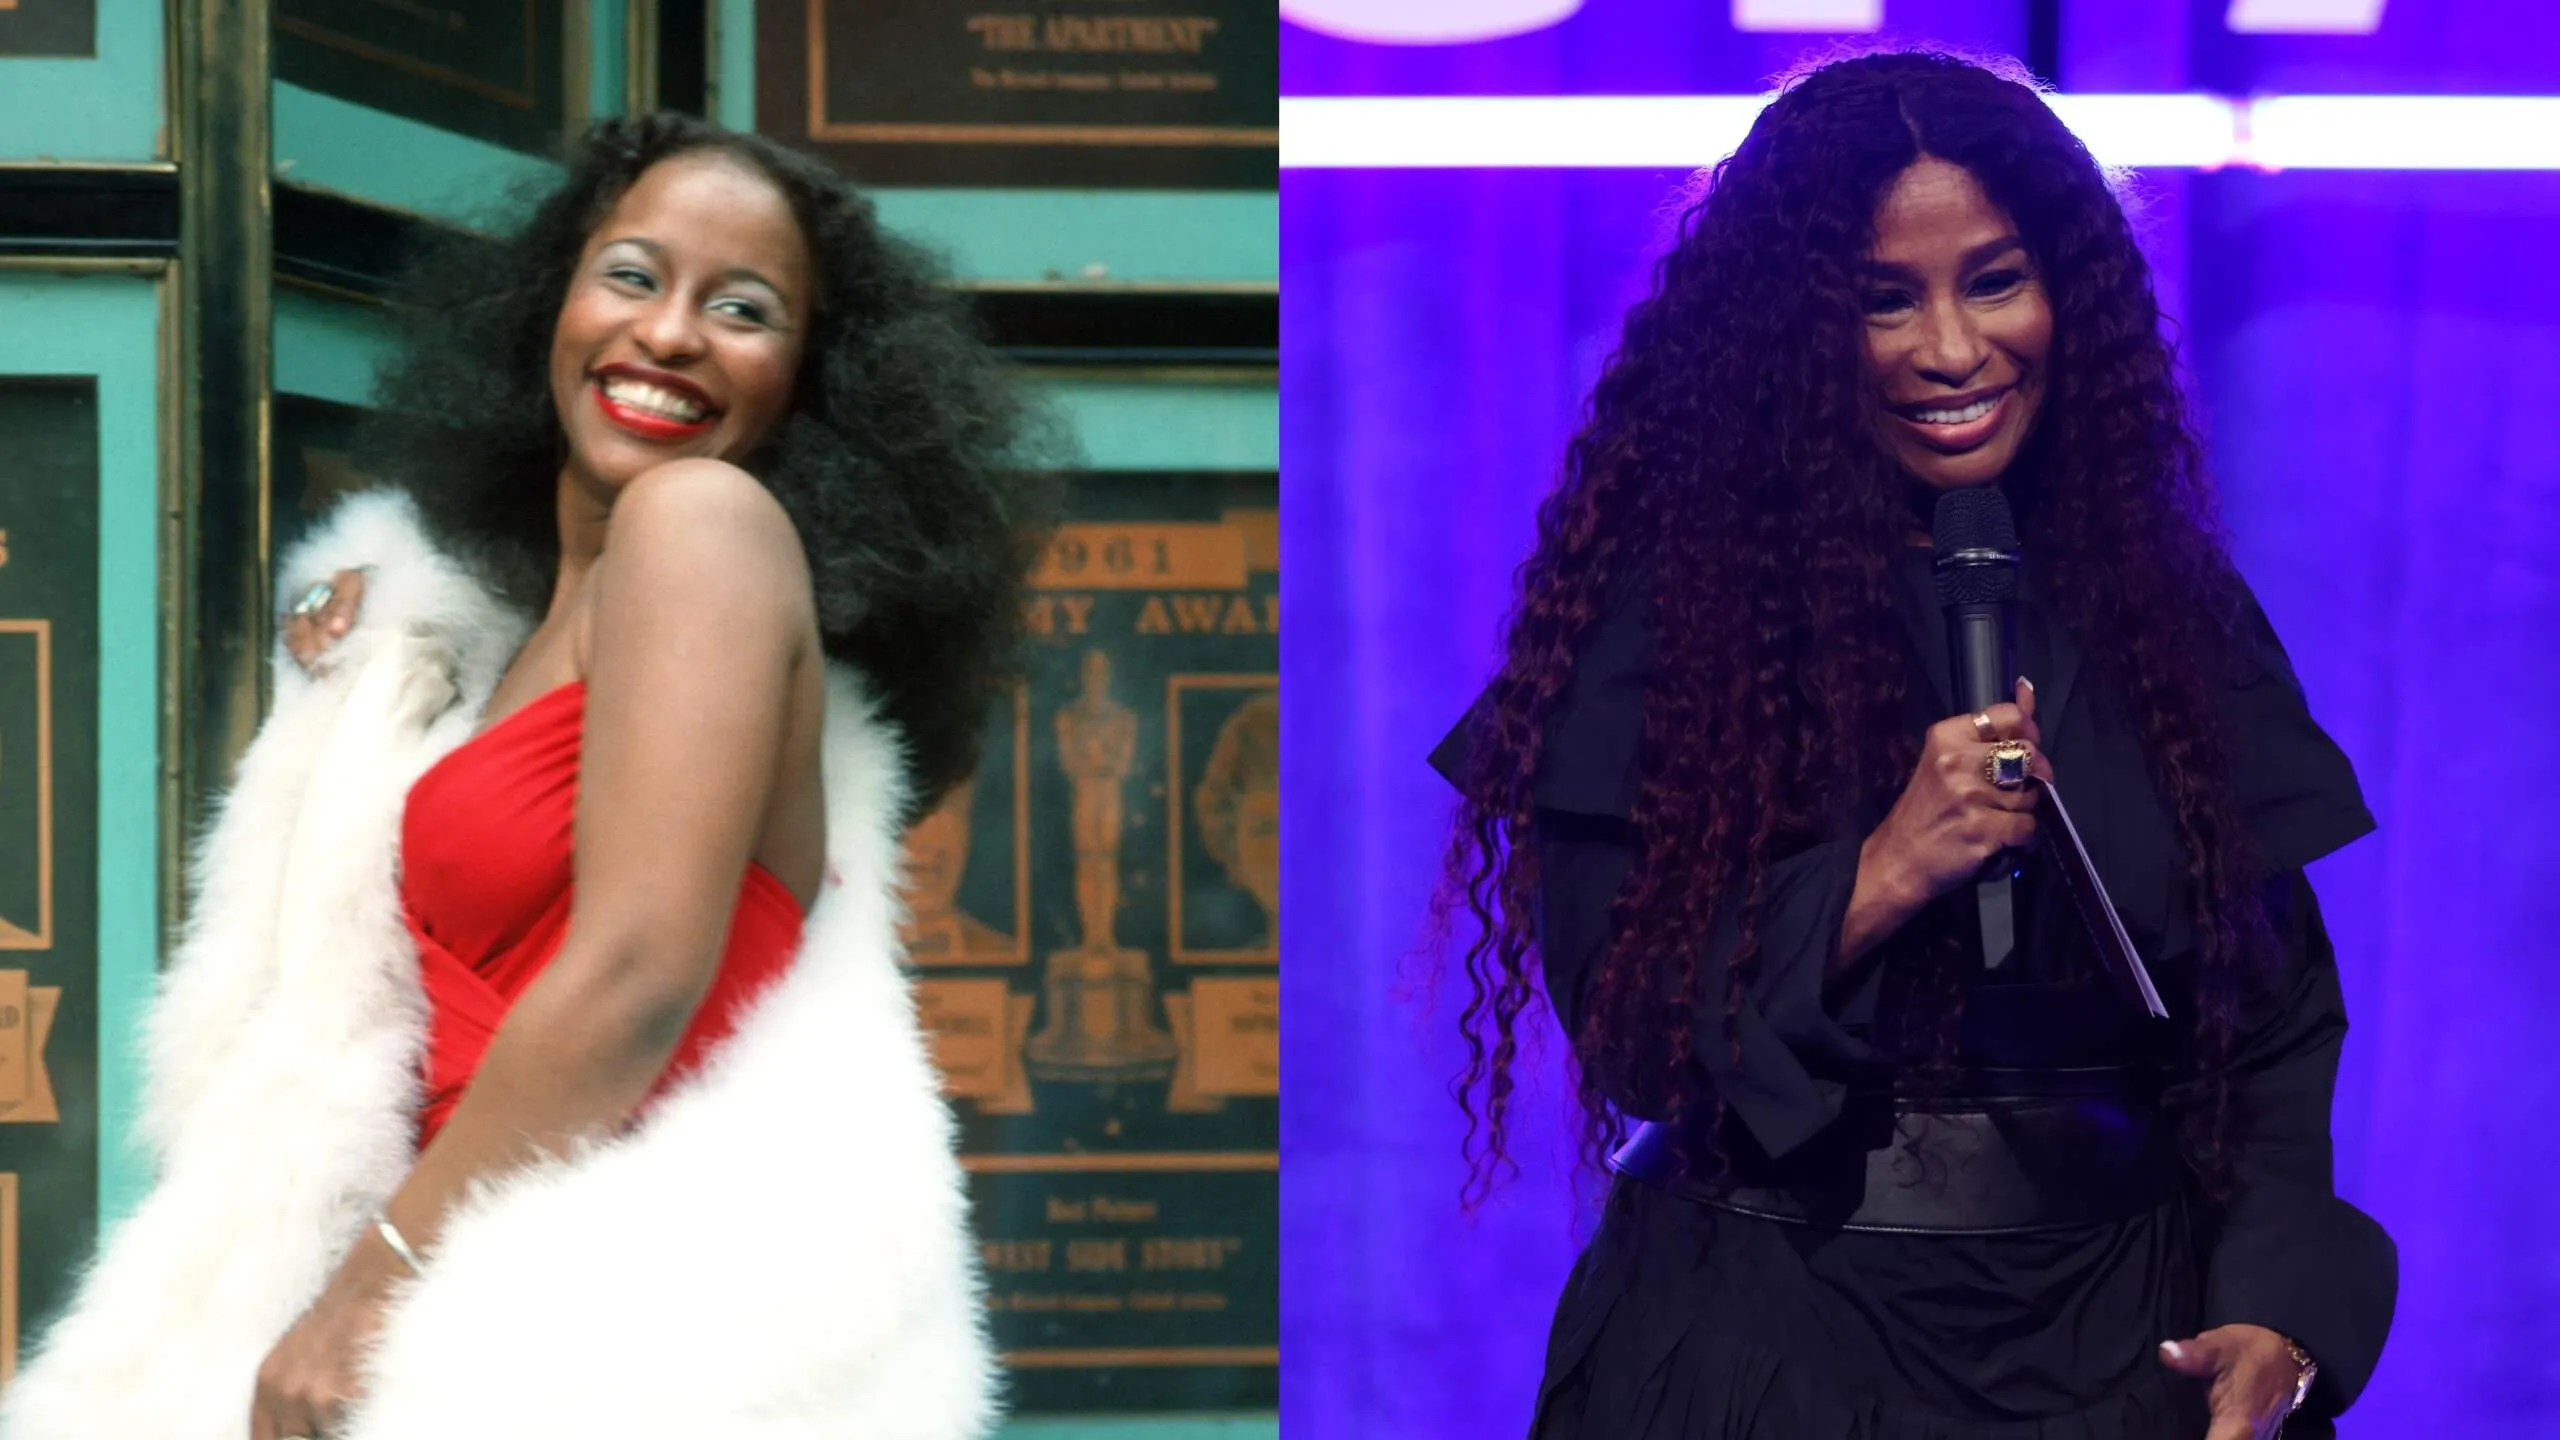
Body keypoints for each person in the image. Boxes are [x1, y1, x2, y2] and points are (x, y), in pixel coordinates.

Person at [3, 113, 1058, 1439]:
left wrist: (362, 1294)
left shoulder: (703, 524)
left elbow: (636, 973)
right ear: (550, 300)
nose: (669, 334)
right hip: (508, 1301)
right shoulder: (542, 619)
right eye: (631, 273)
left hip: (599, 1338)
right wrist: (387, 629)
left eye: (743, 308)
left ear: (811, 377)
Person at [1430, 52, 2394, 1440]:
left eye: (1995, 280)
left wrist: (2278, 1310)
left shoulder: (2164, 607)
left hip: (2119, 1344)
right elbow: (1634, 1036)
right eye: (1883, 299)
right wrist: (1884, 869)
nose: (1952, 348)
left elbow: (2278, 1027)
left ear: (2071, 292)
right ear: (1789, 334)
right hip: (1772, 1344)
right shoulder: (1677, 617)